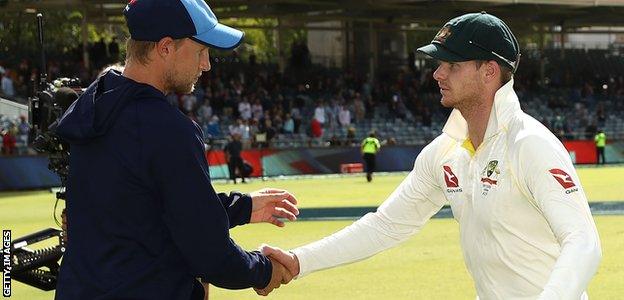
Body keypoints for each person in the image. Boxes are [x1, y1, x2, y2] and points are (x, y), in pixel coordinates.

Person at [258, 12, 602, 299]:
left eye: (451, 64)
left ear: (489, 72)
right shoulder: (445, 152)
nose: (437, 73)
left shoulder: (529, 144)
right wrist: (298, 260)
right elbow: (385, 225)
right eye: (439, 64)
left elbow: (583, 242)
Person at [54, 1, 298, 299]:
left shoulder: (92, 108)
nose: (206, 64)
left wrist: (243, 207)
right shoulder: (168, 130)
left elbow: (144, 211)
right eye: (200, 51)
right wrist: (264, 270)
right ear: (166, 47)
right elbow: (209, 254)